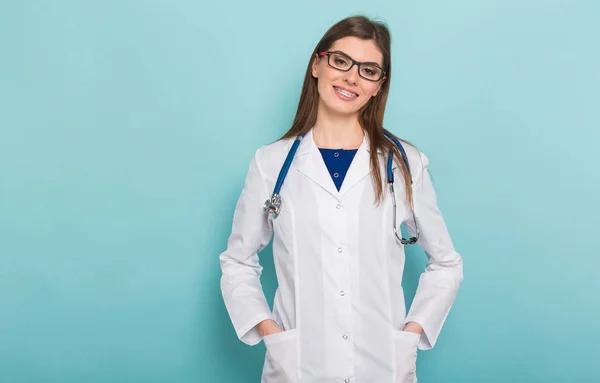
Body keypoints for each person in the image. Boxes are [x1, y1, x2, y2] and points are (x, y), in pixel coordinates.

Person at [219, 15, 464, 383]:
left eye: (368, 70)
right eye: (341, 61)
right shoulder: (271, 163)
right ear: (317, 64)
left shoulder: (404, 163)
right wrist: (269, 331)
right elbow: (237, 260)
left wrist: (412, 334)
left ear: (379, 86)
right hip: (299, 368)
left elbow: (446, 264)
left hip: (383, 367)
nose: (351, 77)